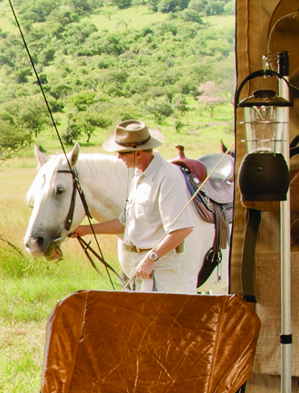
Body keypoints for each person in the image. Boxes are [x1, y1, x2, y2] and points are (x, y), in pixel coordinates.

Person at [68, 119, 203, 293]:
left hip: (159, 267)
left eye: (122, 153)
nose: (118, 157)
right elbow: (125, 222)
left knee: (156, 318)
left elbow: (182, 229)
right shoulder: (138, 176)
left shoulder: (168, 177)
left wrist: (151, 259)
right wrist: (86, 229)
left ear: (137, 153)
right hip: (138, 263)